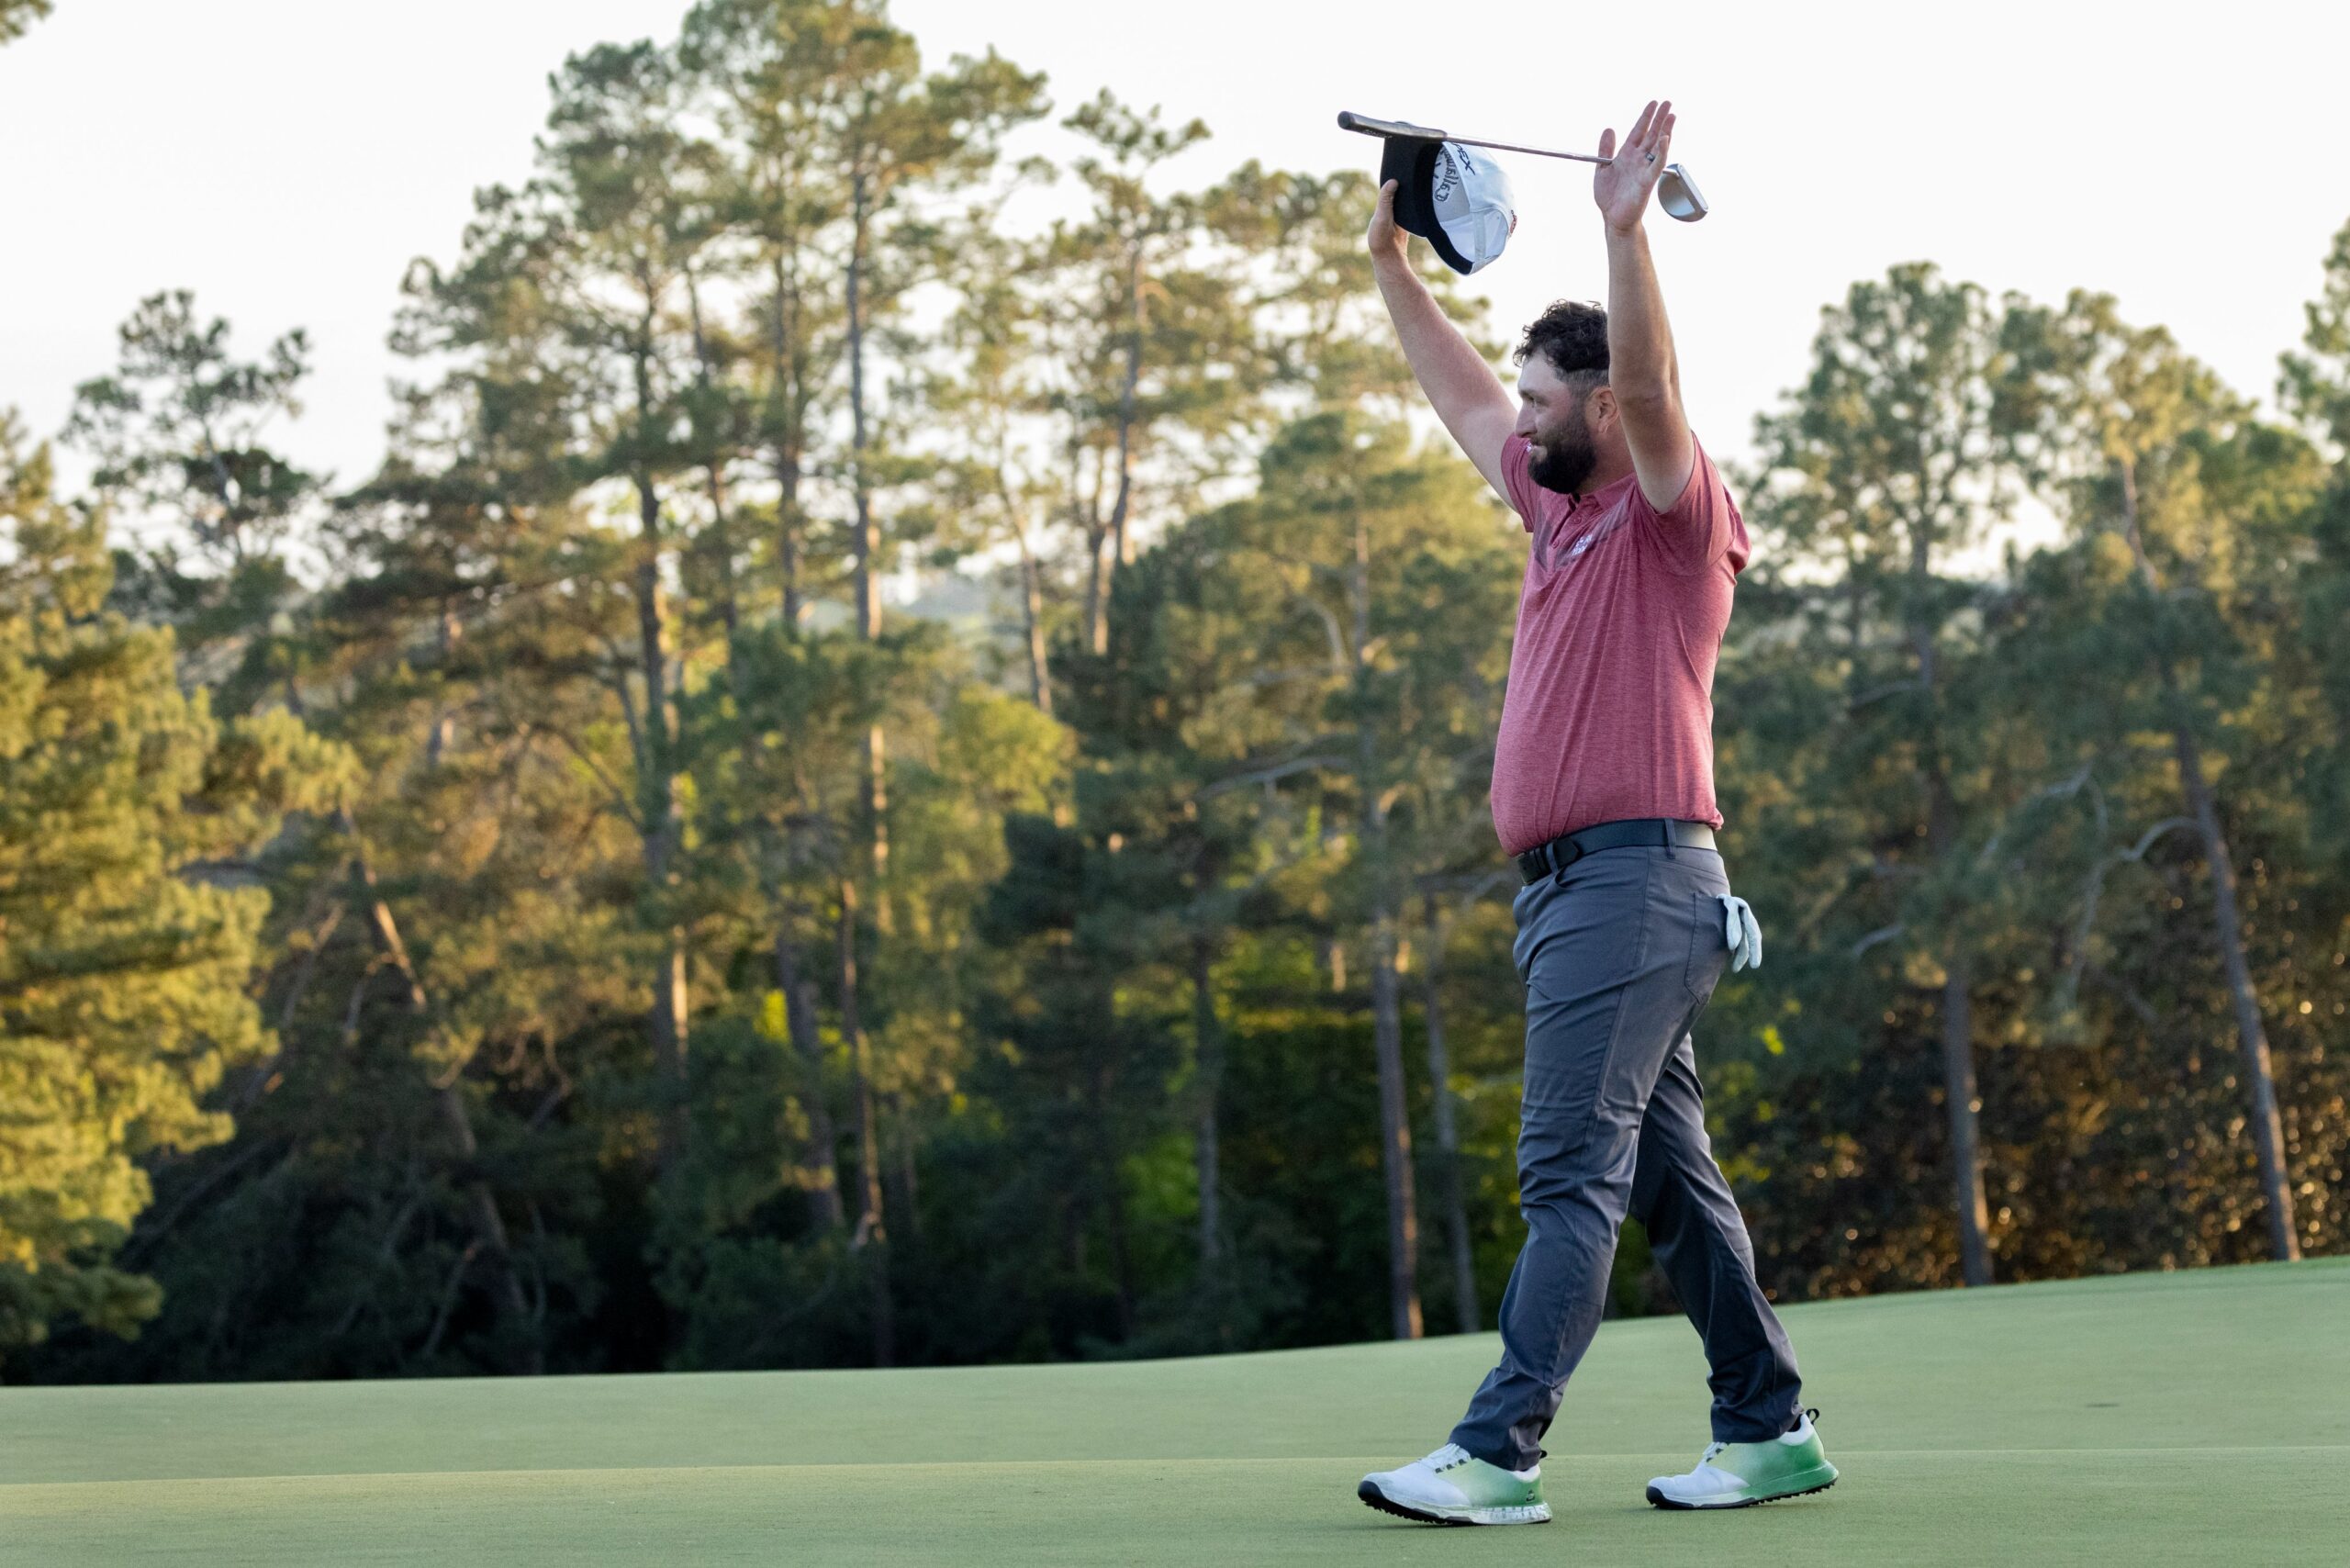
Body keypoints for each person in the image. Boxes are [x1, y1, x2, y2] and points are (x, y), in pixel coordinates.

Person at [1354, 100, 1836, 1524]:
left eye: (1551, 397)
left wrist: (1624, 236)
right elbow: (1460, 399)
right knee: (1669, 1190)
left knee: (1570, 1172)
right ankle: (1770, 1428)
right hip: (1583, 898)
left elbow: (1660, 391)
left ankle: (1501, 1454)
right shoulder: (1556, 507)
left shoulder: (1671, 512)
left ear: (1605, 405)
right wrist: (1393, 268)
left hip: (1633, 889)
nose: (1529, 412)